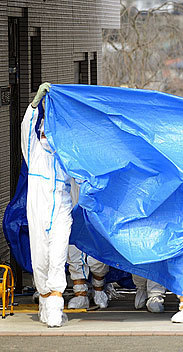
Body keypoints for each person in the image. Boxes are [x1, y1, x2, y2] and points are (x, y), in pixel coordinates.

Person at [21, 82, 72, 327]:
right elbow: (26, 127)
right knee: (40, 258)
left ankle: (54, 306)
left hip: (61, 211)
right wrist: (35, 103)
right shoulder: (34, 152)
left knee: (58, 257)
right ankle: (45, 301)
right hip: (38, 211)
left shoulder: (67, 156)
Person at [67, 179, 110, 310]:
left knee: (99, 235)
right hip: (72, 179)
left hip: (96, 179)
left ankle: (99, 287)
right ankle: (80, 292)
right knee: (73, 232)